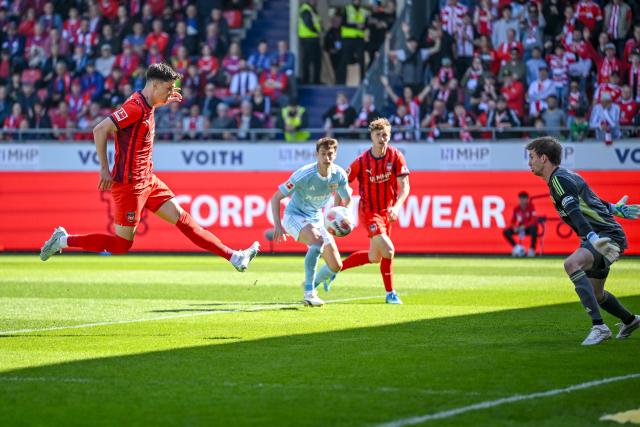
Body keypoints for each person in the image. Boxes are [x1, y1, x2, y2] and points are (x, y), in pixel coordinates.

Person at [40, 63, 259, 272]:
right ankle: (63, 240)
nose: (171, 92)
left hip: (148, 180)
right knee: (122, 245)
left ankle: (235, 257)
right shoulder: (134, 107)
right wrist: (104, 169)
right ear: (154, 85)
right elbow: (100, 130)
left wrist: (160, 102)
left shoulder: (148, 102)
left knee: (185, 220)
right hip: (129, 185)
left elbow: (137, 119)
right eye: (168, 88)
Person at [526, 136, 640, 345]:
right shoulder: (567, 176)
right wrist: (616, 209)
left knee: (571, 264)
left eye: (531, 157)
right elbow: (593, 200)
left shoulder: (559, 180)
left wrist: (592, 237)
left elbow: (575, 212)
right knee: (597, 294)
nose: (529, 162)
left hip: (604, 237)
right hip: (603, 235)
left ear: (544, 158)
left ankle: (599, 327)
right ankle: (630, 320)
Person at [314, 118, 410, 304]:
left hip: (386, 213)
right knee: (389, 251)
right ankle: (390, 293)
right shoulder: (362, 161)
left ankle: (334, 270)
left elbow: (405, 187)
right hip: (369, 212)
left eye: (385, 135)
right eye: (378, 135)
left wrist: (396, 207)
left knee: (375, 257)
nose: (382, 139)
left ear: (389, 136)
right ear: (371, 137)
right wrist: (337, 208)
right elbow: (342, 183)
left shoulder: (396, 157)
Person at [270, 137, 352, 307]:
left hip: (317, 219)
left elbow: (347, 198)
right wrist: (278, 225)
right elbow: (276, 198)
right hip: (294, 216)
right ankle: (309, 293)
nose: (326, 158)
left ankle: (311, 284)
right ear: (317, 154)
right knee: (317, 242)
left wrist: (341, 214)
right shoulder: (304, 174)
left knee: (336, 265)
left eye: (330, 154)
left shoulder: (339, 175)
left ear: (335, 155)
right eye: (323, 154)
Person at [503, 191, 538, 257]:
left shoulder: (531, 207)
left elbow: (533, 220)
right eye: (520, 199)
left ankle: (532, 249)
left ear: (527, 200)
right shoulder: (516, 209)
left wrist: (524, 226)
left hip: (528, 228)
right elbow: (512, 222)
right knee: (506, 231)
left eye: (523, 199)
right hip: (520, 228)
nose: (522, 201)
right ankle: (517, 247)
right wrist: (515, 227)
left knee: (534, 228)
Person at [298, 0, 322, 84]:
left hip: (314, 38)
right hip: (307, 39)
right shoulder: (306, 9)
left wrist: (321, 30)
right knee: (307, 61)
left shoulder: (313, 10)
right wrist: (317, 31)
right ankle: (306, 80)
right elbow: (308, 23)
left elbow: (317, 23)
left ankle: (316, 80)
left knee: (317, 61)